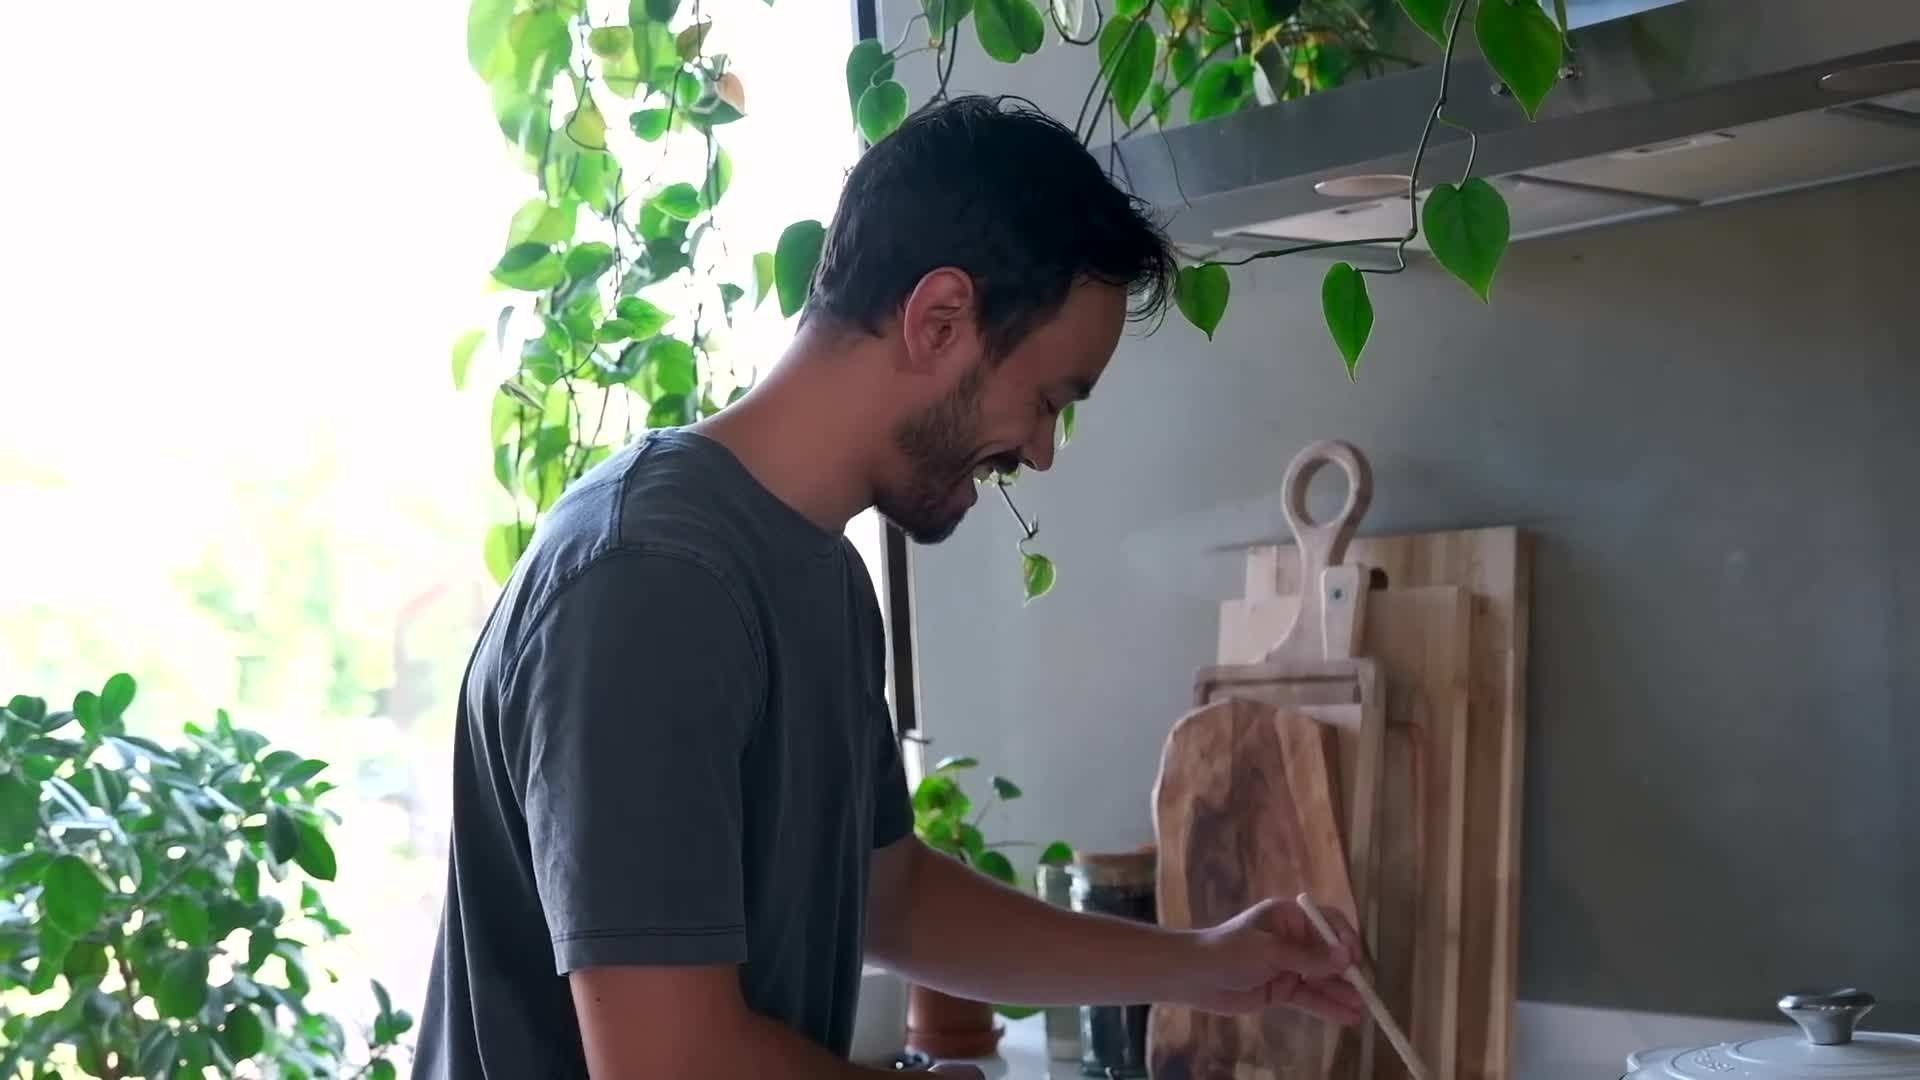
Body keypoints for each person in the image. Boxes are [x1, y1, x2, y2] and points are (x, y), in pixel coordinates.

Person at [412, 94, 1365, 1079]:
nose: (1039, 452)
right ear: (939, 318)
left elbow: (889, 895)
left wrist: (1206, 965)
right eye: (1047, 401)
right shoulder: (651, 582)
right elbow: (670, 1063)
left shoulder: (820, 573)